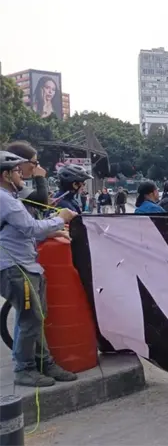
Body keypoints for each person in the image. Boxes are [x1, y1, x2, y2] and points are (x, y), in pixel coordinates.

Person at [0, 151, 78, 386]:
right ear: (5, 175)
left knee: (36, 317)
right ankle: (24, 369)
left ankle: (44, 362)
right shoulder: (4, 199)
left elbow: (20, 232)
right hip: (15, 266)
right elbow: (31, 228)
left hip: (26, 262)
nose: (21, 175)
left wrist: (52, 230)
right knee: (29, 318)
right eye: (16, 171)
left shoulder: (9, 197)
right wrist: (60, 218)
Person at [5, 141, 48, 219]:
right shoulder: (12, 185)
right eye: (34, 162)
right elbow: (43, 203)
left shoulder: (18, 183)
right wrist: (40, 177)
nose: (37, 166)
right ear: (20, 162)